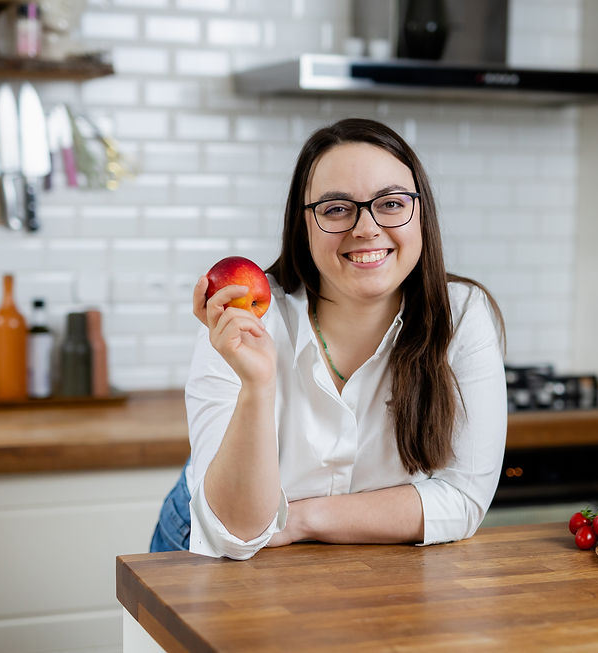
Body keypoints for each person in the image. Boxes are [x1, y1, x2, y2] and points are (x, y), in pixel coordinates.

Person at [150, 118, 508, 559]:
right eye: (337, 209)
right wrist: (257, 386)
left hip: (360, 561)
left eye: (391, 203)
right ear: (304, 224)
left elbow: (462, 500)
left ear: (421, 213)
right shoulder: (243, 320)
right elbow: (236, 533)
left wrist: (300, 519)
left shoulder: (462, 314)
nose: (366, 228)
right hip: (208, 556)